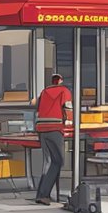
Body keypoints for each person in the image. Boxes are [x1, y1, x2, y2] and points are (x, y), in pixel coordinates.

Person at [33, 74, 73, 205]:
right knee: (58, 161)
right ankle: (43, 194)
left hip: (41, 127)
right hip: (55, 127)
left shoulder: (44, 92)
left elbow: (37, 108)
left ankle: (42, 193)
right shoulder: (64, 91)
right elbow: (67, 107)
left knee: (49, 161)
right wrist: (69, 121)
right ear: (60, 81)